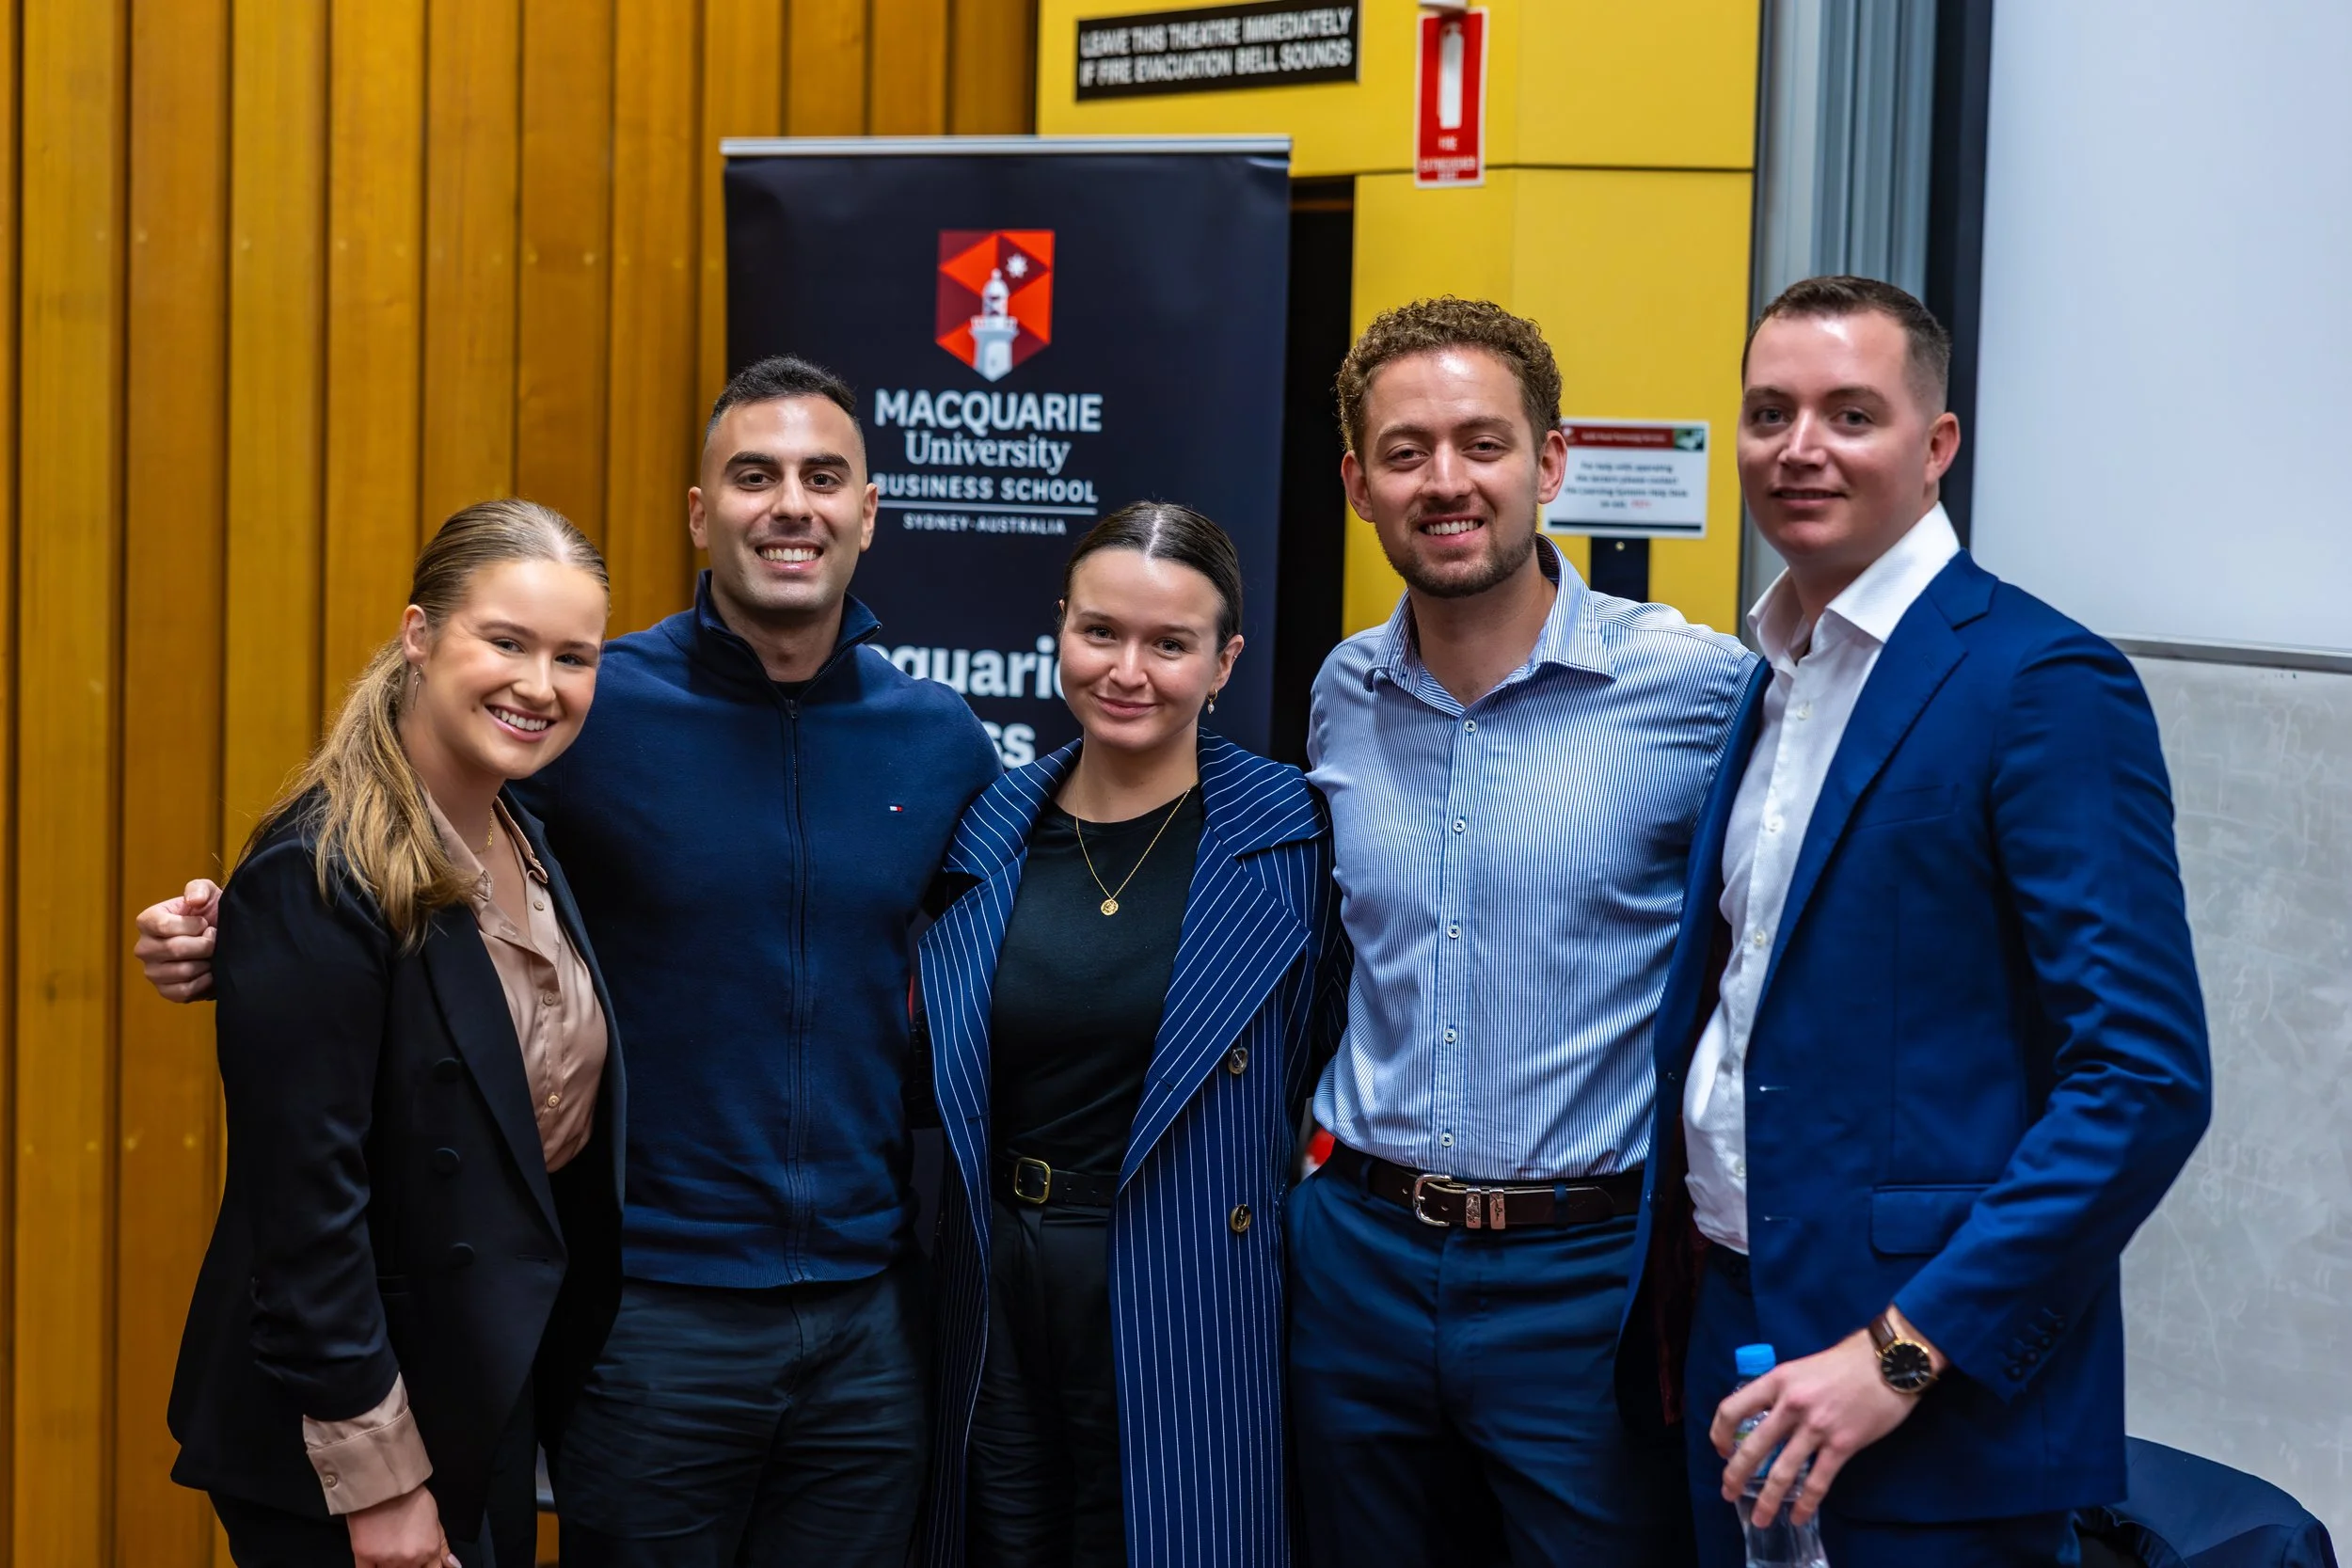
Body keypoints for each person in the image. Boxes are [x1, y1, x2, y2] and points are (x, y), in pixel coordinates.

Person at [137, 356, 1005, 1566]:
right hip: (643, 1312)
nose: (789, 504)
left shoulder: (940, 741)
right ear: (701, 515)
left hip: (865, 1322)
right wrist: (237, 937)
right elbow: (383, 874)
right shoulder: (599, 707)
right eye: (752, 475)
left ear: (870, 509)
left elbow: (1027, 953)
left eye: (823, 476)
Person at [1653, 276, 2211, 1566]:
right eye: (1767, 412)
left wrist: (1903, 1349)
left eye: (1851, 413)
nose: (1800, 448)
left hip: (1920, 1386)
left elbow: (2142, 1079)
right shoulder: (1773, 676)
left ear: (1936, 445)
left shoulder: (2039, 681)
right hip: (1738, 1337)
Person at [1287, 297, 1755, 1567]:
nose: (1447, 480)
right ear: (1357, 484)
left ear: (1549, 461)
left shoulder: (1699, 690)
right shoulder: (1342, 692)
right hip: (1357, 1263)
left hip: (1586, 1277)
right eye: (1406, 450)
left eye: (1483, 443)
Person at [167, 500, 627, 1568]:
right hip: (357, 1442)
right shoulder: (319, 871)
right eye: (504, 641)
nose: (539, 684)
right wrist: (384, 1490)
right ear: (418, 635)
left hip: (483, 1398)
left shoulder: (527, 832)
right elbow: (307, 1219)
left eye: (573, 657)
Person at [914, 504, 1345, 1568]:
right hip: (1000, 1268)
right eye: (1099, 631)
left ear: (1224, 660)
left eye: (1169, 643)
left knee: (1170, 1539)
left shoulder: (1293, 836)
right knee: (999, 1543)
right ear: (1057, 626)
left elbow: (1317, 1063)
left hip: (1194, 1267)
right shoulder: (985, 825)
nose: (1127, 669)